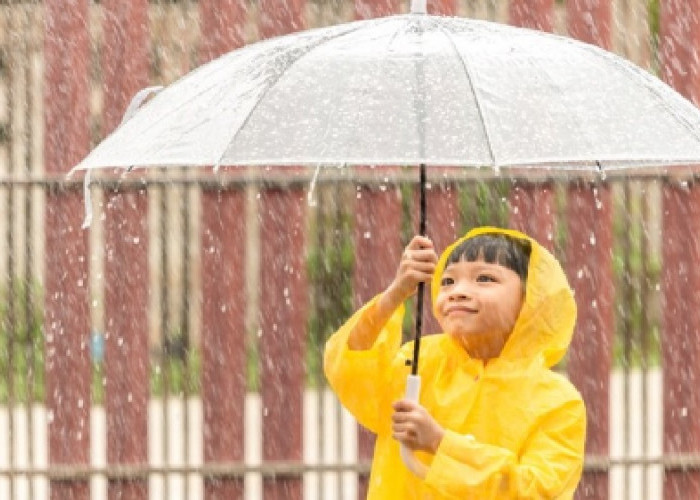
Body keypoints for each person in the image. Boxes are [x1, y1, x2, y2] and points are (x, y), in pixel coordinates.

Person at [324, 226, 586, 499]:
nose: (458, 291)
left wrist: (440, 443)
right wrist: (392, 297)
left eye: (484, 278)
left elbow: (536, 491)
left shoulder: (558, 403)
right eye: (447, 281)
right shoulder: (417, 361)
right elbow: (350, 371)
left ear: (531, 298)